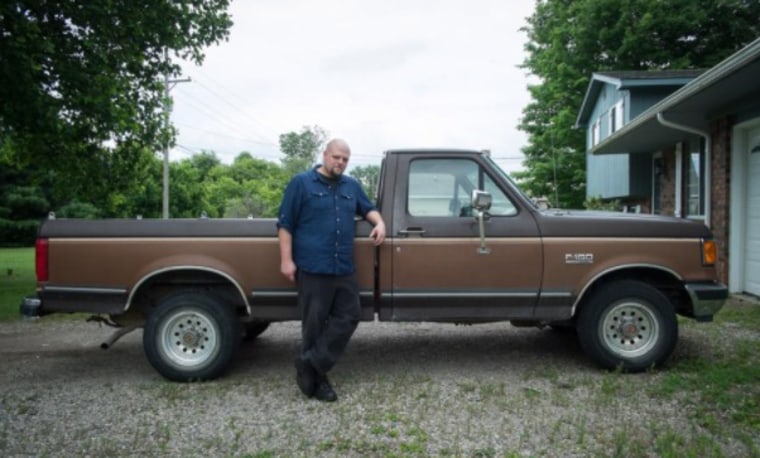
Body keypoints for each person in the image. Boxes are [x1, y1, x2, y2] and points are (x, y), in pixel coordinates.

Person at [277, 138, 386, 402]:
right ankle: (319, 379)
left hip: (343, 267)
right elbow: (285, 224)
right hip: (313, 267)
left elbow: (368, 208)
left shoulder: (351, 185)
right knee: (313, 326)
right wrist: (286, 260)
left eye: (345, 159)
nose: (340, 162)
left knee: (350, 315)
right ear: (325, 155)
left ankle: (310, 362)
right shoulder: (301, 183)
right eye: (336, 157)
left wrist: (379, 222)